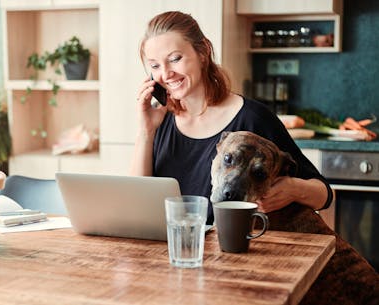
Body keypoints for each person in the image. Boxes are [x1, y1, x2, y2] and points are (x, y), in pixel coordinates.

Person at [130, 11, 333, 225]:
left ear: (203, 52)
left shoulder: (253, 118)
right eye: (155, 66)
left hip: (229, 255)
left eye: (175, 59)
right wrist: (146, 131)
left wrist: (293, 189)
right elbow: (136, 202)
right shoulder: (159, 121)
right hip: (166, 251)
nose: (166, 73)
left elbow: (325, 195)